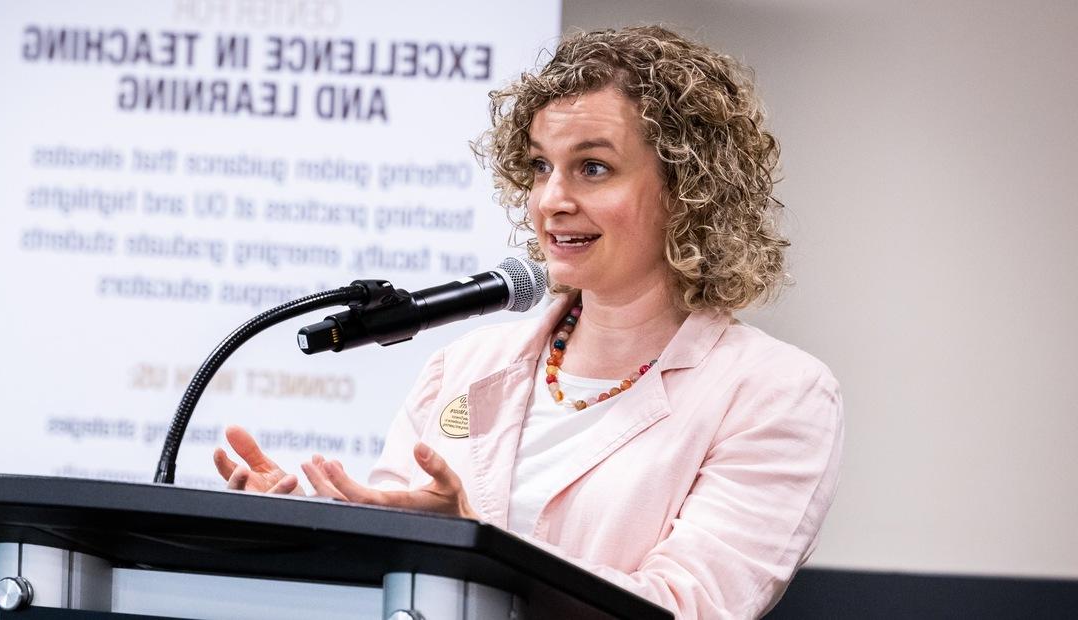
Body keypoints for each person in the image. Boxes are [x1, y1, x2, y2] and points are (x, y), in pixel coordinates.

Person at [213, 26, 842, 619]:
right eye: (542, 165)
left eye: (592, 167)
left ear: (688, 189)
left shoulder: (775, 394)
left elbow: (686, 605)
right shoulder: (465, 366)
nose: (551, 200)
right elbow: (392, 569)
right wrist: (301, 529)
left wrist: (479, 548)